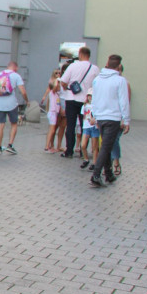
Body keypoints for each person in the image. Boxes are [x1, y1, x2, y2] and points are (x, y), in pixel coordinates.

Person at [88, 55, 131, 188]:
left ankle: (108, 173)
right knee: (107, 146)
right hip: (113, 117)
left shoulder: (97, 79)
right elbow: (124, 101)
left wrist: (94, 115)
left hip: (100, 117)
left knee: (106, 145)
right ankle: (96, 174)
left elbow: (94, 99)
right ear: (119, 66)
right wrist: (126, 119)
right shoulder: (120, 80)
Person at [59, 47, 99, 158]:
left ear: (80, 54)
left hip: (71, 99)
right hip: (86, 101)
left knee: (70, 125)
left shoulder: (72, 66)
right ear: (89, 55)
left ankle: (69, 151)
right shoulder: (94, 69)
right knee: (84, 126)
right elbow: (97, 85)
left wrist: (68, 88)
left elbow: (63, 82)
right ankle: (83, 150)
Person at [0, 62, 28, 155]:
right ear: (15, 67)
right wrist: (27, 100)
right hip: (12, 104)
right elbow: (23, 91)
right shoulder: (16, 76)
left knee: (0, 125)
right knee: (14, 124)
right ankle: (10, 145)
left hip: (0, 104)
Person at [42, 69, 63, 153]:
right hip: (52, 113)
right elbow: (54, 87)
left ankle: (49, 146)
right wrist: (57, 80)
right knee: (52, 130)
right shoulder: (53, 92)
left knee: (53, 129)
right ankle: (47, 146)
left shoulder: (58, 93)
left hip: (55, 112)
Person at [79, 94, 99, 169]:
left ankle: (94, 163)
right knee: (83, 145)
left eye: (92, 96)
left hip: (94, 127)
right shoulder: (84, 106)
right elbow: (83, 116)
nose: (90, 97)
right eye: (89, 96)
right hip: (86, 127)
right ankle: (86, 159)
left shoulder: (97, 105)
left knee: (94, 147)